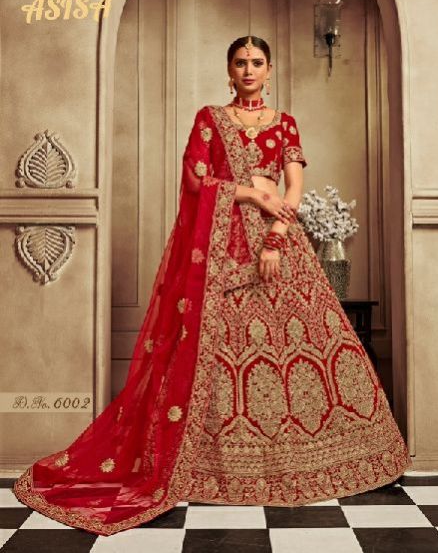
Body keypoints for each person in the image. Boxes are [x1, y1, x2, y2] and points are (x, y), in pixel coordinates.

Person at [13, 35, 413, 536]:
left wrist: (275, 237)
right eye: (241, 62)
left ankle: (309, 458)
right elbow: (197, 181)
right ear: (229, 70)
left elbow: (293, 187)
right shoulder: (210, 119)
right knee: (219, 349)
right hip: (222, 249)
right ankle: (209, 463)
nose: (249, 70)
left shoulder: (285, 122)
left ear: (270, 70)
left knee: (305, 345)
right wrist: (253, 194)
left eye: (257, 62)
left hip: (278, 244)